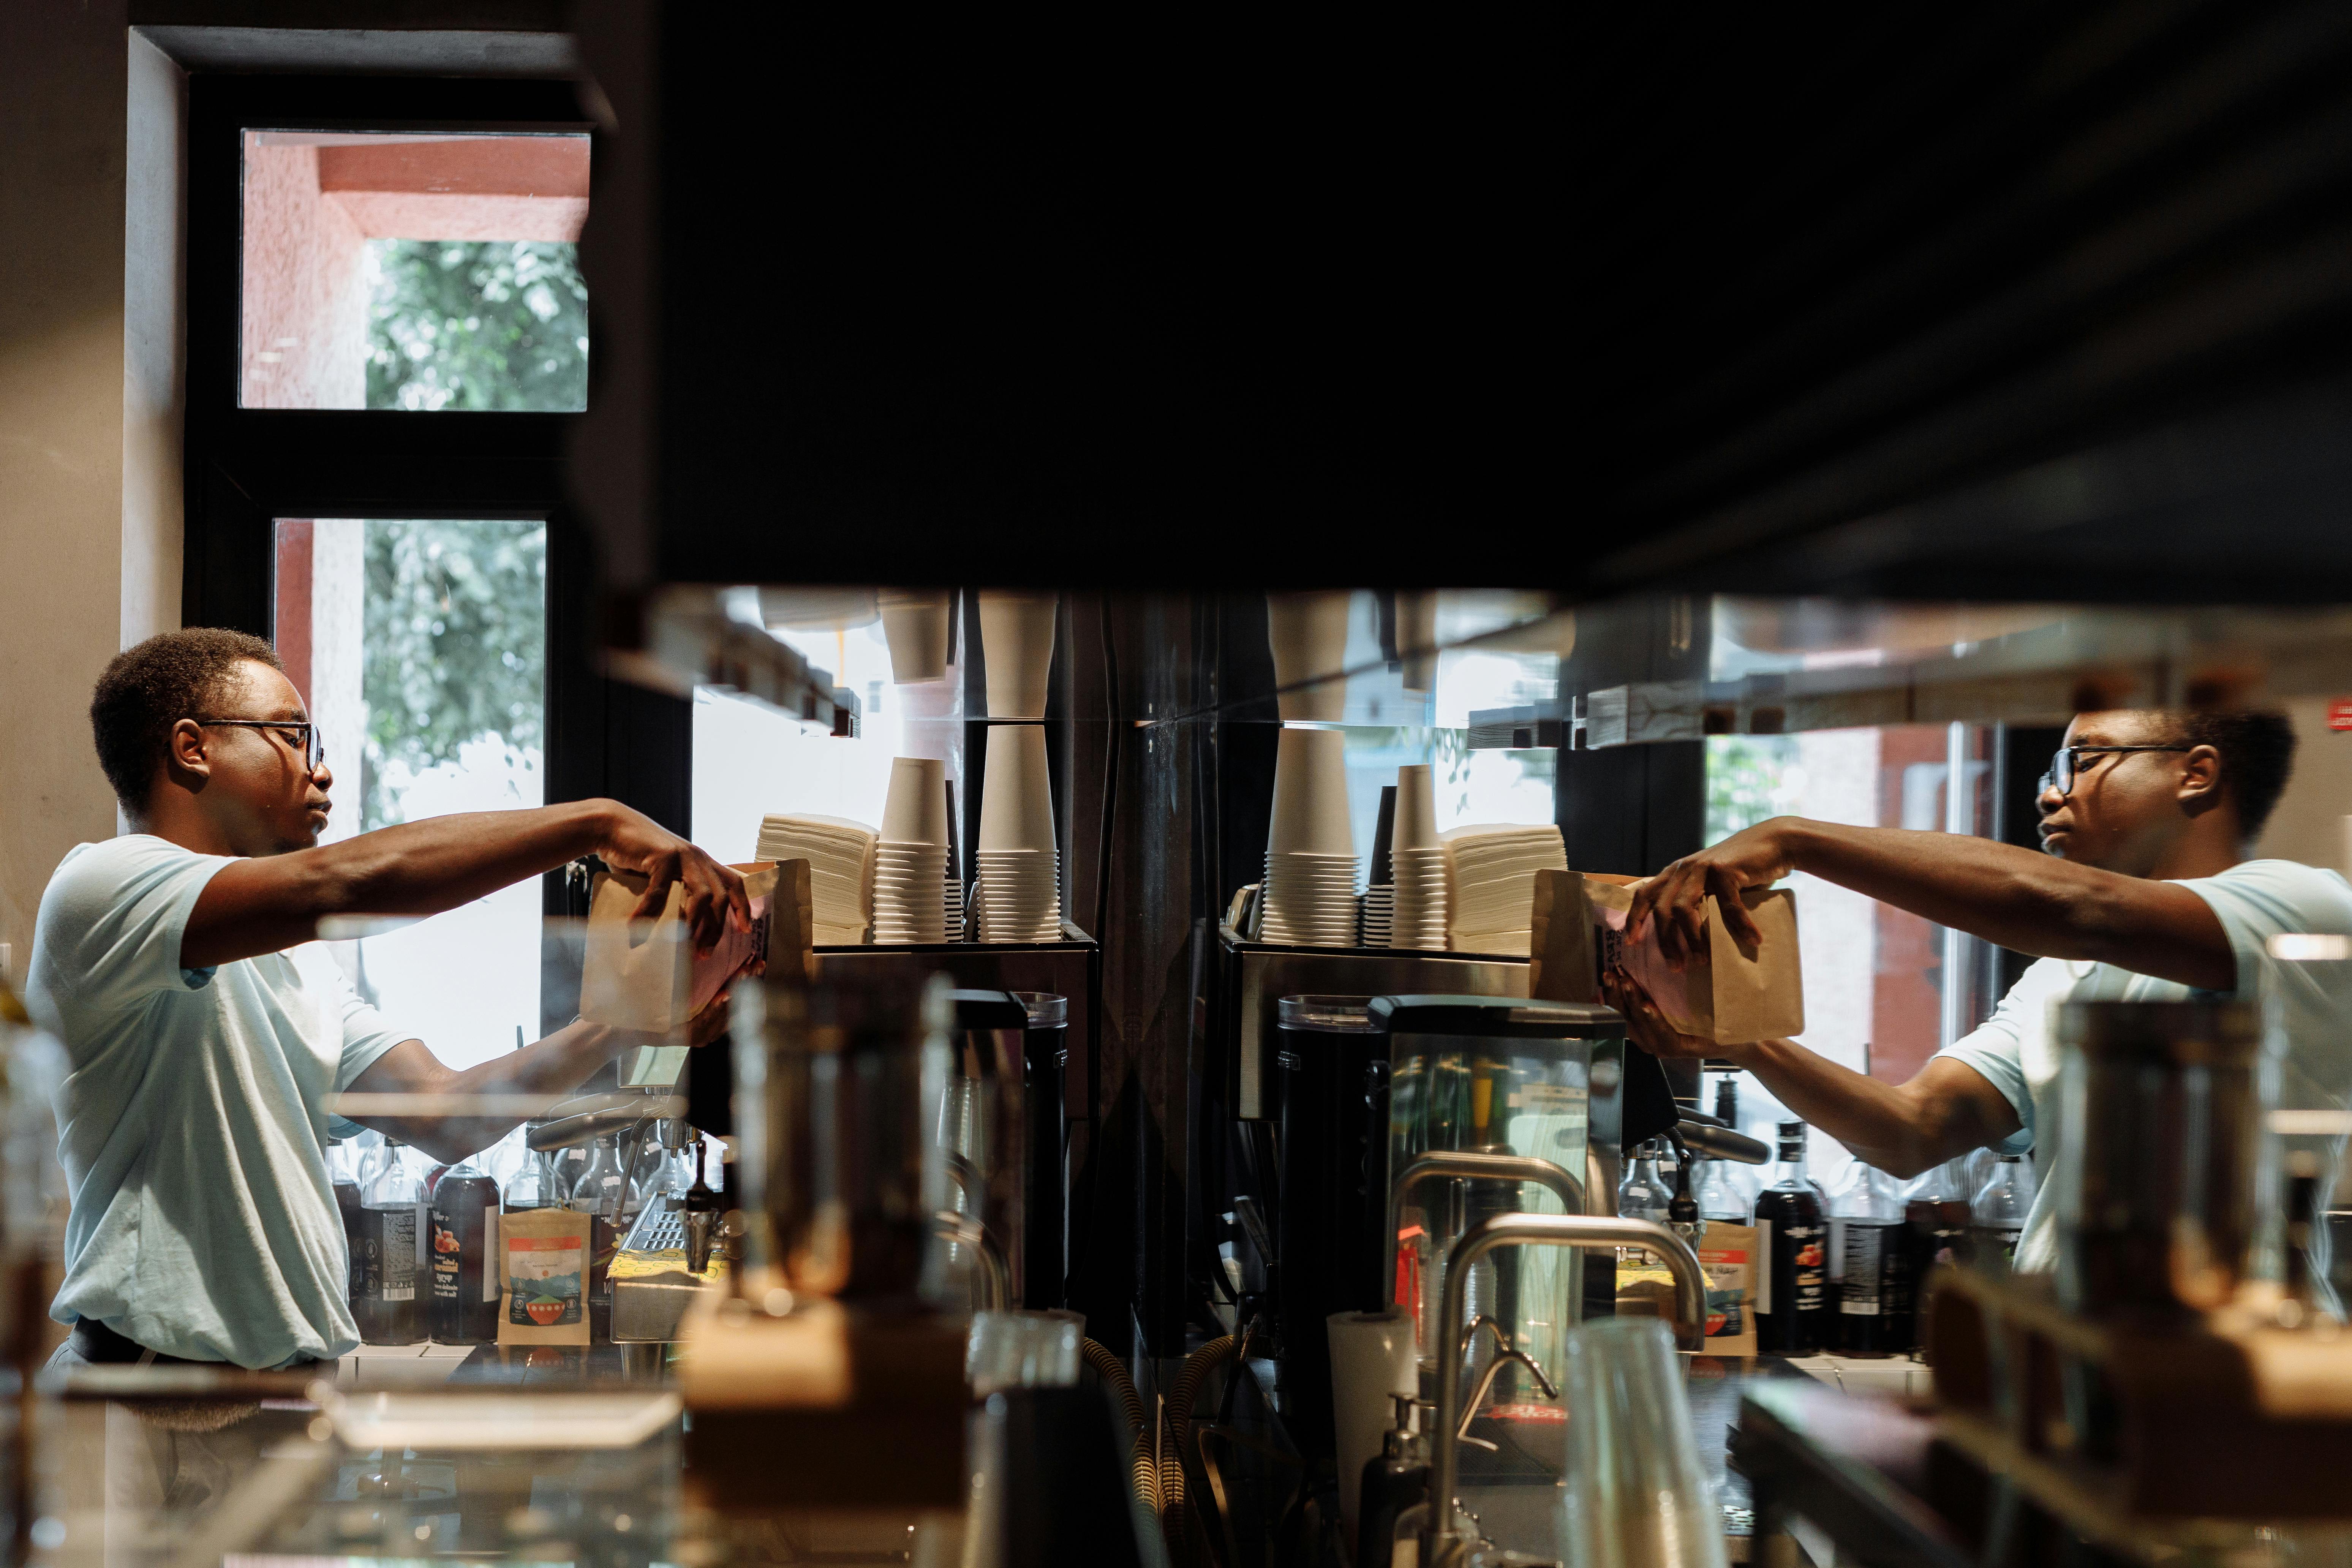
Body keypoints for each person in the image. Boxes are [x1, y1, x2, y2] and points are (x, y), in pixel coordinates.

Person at [25, 627, 756, 1374]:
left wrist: (623, 1028)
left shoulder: (294, 961)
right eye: (296, 738)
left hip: (286, 1396)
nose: (324, 772)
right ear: (193, 746)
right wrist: (599, 823)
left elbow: (447, 1113)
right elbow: (349, 882)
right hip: (147, 1392)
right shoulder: (103, 888)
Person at [1602, 707, 2352, 1275]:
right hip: (2072, 1369)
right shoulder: (2066, 975)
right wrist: (1746, 1044)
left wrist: (1796, 839)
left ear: (2197, 773)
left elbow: (2078, 907)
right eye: (2049, 770)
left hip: (2226, 1376)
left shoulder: (2302, 907)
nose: (2051, 795)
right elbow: (1909, 1131)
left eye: (2083, 763)